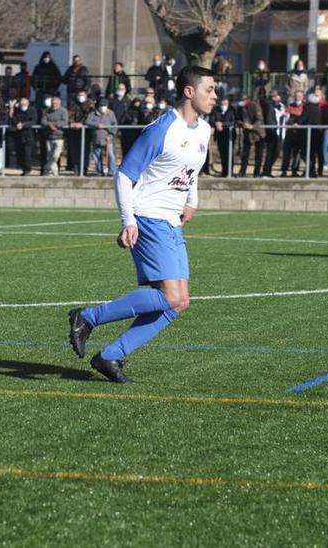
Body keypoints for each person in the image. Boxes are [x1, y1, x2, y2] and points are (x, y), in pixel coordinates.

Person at [67, 65, 215, 383]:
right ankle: (88, 318)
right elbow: (124, 174)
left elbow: (191, 170)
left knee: (180, 302)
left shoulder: (204, 130)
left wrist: (192, 201)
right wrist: (128, 220)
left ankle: (110, 356)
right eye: (210, 90)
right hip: (148, 216)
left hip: (171, 221)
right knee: (172, 297)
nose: (215, 96)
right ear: (189, 92)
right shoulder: (162, 129)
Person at [86, 99, 119, 177]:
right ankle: (100, 172)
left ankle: (111, 172)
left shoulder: (111, 113)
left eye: (104, 106)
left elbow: (115, 125)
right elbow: (87, 122)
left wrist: (110, 135)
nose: (103, 107)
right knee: (97, 157)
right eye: (101, 106)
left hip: (108, 140)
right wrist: (97, 125)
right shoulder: (93, 114)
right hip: (96, 139)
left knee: (111, 156)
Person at [208, 94, 237, 176]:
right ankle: (224, 172)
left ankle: (229, 172)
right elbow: (212, 120)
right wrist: (216, 123)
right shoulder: (216, 110)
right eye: (222, 102)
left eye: (225, 102)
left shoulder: (232, 110)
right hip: (220, 135)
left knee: (229, 154)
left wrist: (223, 124)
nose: (223, 104)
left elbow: (234, 121)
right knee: (222, 154)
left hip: (229, 135)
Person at [10, 95, 37, 175]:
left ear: (28, 104)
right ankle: (23, 169)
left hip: (28, 136)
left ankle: (28, 169)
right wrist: (17, 123)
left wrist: (24, 125)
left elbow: (33, 121)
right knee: (20, 154)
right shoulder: (18, 110)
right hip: (19, 135)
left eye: (24, 104)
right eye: (22, 104)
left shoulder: (32, 110)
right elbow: (14, 118)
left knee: (27, 154)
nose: (23, 106)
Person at [42, 95, 67, 176]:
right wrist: (49, 125)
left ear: (59, 103)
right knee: (49, 155)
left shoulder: (63, 111)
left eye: (56, 103)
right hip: (49, 136)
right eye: (53, 103)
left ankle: (47, 169)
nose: (54, 105)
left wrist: (56, 125)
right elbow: (43, 120)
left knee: (55, 156)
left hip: (59, 136)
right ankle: (54, 172)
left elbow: (65, 121)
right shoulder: (47, 111)